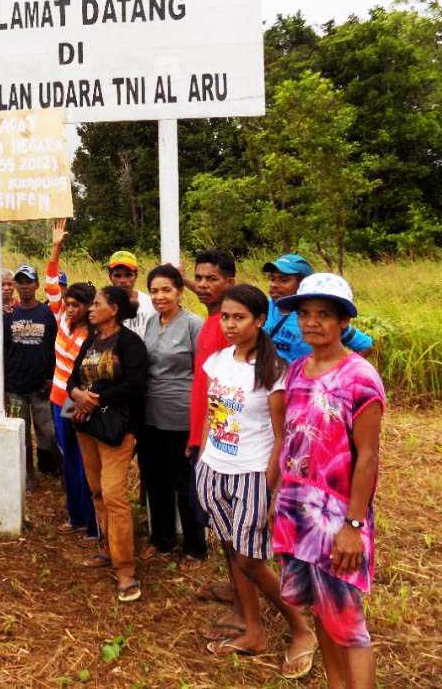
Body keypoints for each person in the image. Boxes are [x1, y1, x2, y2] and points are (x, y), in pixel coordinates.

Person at [195, 284, 317, 679]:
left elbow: (282, 437)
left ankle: (302, 629)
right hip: (214, 470)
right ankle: (253, 630)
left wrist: (271, 488)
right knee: (231, 550)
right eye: (226, 317)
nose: (230, 325)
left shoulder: (273, 371)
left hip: (252, 475)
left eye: (239, 317)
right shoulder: (217, 361)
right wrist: (203, 460)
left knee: (251, 558)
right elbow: (213, 416)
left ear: (260, 320)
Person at [271, 274, 386, 689]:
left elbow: (367, 457)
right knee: (322, 612)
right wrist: (277, 499)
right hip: (298, 511)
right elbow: (292, 440)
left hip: (337, 517)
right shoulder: (297, 370)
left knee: (349, 626)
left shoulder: (360, 377)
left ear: (343, 322)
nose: (312, 322)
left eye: (323, 314)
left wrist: (353, 526)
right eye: (305, 314)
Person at [66, 286, 148, 603]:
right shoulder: (92, 340)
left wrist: (96, 399)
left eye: (97, 304)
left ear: (114, 309)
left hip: (117, 429)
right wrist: (78, 395)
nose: (91, 309)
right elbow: (73, 378)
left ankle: (126, 570)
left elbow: (136, 384)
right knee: (97, 490)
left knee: (114, 495)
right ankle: (109, 548)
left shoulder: (130, 343)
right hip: (86, 426)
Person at [186, 250, 240, 623]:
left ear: (230, 284)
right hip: (202, 437)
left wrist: (212, 444)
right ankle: (236, 588)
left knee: (234, 529)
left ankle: (244, 606)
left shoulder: (229, 328)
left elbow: (231, 394)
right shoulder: (210, 321)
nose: (203, 285)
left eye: (212, 279)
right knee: (221, 525)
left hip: (223, 443)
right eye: (199, 278)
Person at [140, 264, 207, 566]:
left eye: (166, 290)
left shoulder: (193, 324)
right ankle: (162, 539)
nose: (159, 296)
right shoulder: (151, 322)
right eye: (154, 291)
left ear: (180, 292)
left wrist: (198, 426)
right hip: (150, 416)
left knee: (185, 484)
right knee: (156, 481)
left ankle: (195, 547)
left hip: (182, 418)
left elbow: (204, 377)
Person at [45, 219, 98, 542]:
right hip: (57, 400)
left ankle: (93, 524)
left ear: (89, 307)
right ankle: (75, 516)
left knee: (85, 462)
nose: (69, 309)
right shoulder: (62, 321)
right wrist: (56, 247)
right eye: (68, 304)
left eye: (76, 305)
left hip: (78, 403)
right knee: (68, 458)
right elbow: (51, 283)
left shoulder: (94, 336)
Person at [4, 262, 59, 488]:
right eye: (20, 282)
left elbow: (55, 348)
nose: (24, 286)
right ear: (16, 286)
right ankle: (29, 475)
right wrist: (4, 387)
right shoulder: (9, 314)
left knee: (50, 432)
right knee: (21, 433)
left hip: (41, 388)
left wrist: (50, 379)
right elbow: (4, 350)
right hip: (15, 389)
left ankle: (62, 472)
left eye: (29, 282)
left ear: (36, 285)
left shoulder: (46, 313)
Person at [262, 254, 374, 362]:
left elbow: (365, 346)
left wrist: (340, 371)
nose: (274, 285)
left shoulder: (322, 318)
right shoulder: (262, 307)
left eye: (284, 280)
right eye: (272, 279)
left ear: (303, 284)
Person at [106, 250, 157, 336]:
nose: (123, 280)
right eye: (118, 275)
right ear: (110, 277)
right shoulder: (102, 305)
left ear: (136, 276)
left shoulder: (150, 303)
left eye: (128, 275)